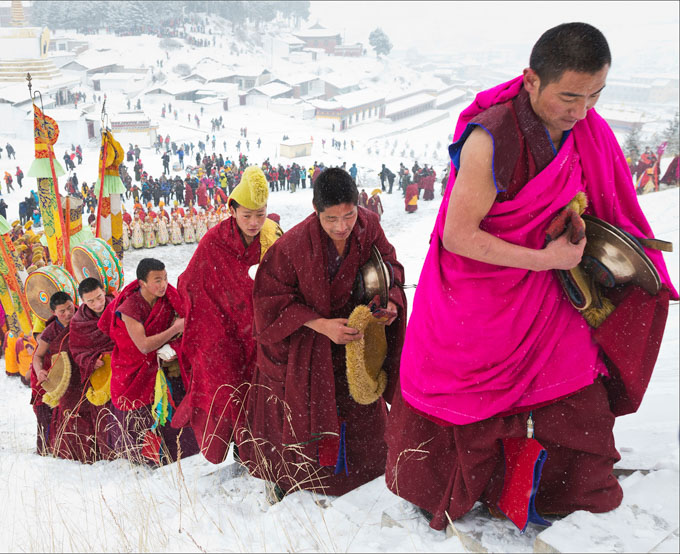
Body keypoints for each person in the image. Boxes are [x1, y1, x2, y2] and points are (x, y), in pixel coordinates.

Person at [384, 23, 677, 532]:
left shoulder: (585, 128)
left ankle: (557, 491)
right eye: (569, 96)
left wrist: (578, 223)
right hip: (480, 295)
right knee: (465, 394)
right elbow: (458, 235)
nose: (581, 111)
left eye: (594, 95)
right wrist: (548, 260)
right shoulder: (491, 136)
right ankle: (470, 487)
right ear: (531, 80)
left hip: (549, 293)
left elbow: (588, 193)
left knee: (571, 380)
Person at [239, 167, 407, 502]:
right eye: (331, 219)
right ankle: (299, 475)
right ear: (316, 211)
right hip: (310, 346)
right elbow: (269, 304)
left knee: (362, 405)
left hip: (354, 342)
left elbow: (391, 266)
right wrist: (322, 325)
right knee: (308, 414)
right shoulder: (291, 247)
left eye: (348, 215)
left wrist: (390, 300)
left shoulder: (368, 226)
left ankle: (365, 467)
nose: (342, 227)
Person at [173, 166, 280, 464]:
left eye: (260, 214)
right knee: (227, 390)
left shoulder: (271, 237)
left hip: (259, 331)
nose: (255, 222)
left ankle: (257, 452)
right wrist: (213, 325)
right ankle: (236, 448)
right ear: (232, 210)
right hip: (221, 332)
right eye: (247, 215)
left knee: (263, 392)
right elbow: (190, 284)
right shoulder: (213, 243)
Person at [98, 258, 199, 464]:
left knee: (172, 413)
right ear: (142, 282)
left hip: (161, 367)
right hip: (133, 369)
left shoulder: (167, 298)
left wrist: (175, 345)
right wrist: (174, 329)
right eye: (157, 280)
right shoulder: (130, 308)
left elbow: (189, 322)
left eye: (164, 278)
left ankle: (177, 455)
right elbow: (143, 346)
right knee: (140, 420)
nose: (163, 285)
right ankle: (146, 459)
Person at [69, 278, 118, 461]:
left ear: (103, 291)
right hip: (100, 374)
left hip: (122, 367)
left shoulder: (118, 308)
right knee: (105, 414)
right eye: (91, 301)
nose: (98, 304)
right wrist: (90, 361)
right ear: (82, 300)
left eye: (99, 297)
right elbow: (76, 350)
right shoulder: (78, 321)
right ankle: (109, 455)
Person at [31, 291, 76, 456]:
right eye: (62, 312)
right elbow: (37, 356)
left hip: (73, 375)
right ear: (54, 313)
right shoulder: (50, 331)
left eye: (70, 308)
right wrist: (39, 371)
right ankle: (48, 450)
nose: (68, 314)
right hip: (52, 375)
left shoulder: (83, 319)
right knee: (47, 415)